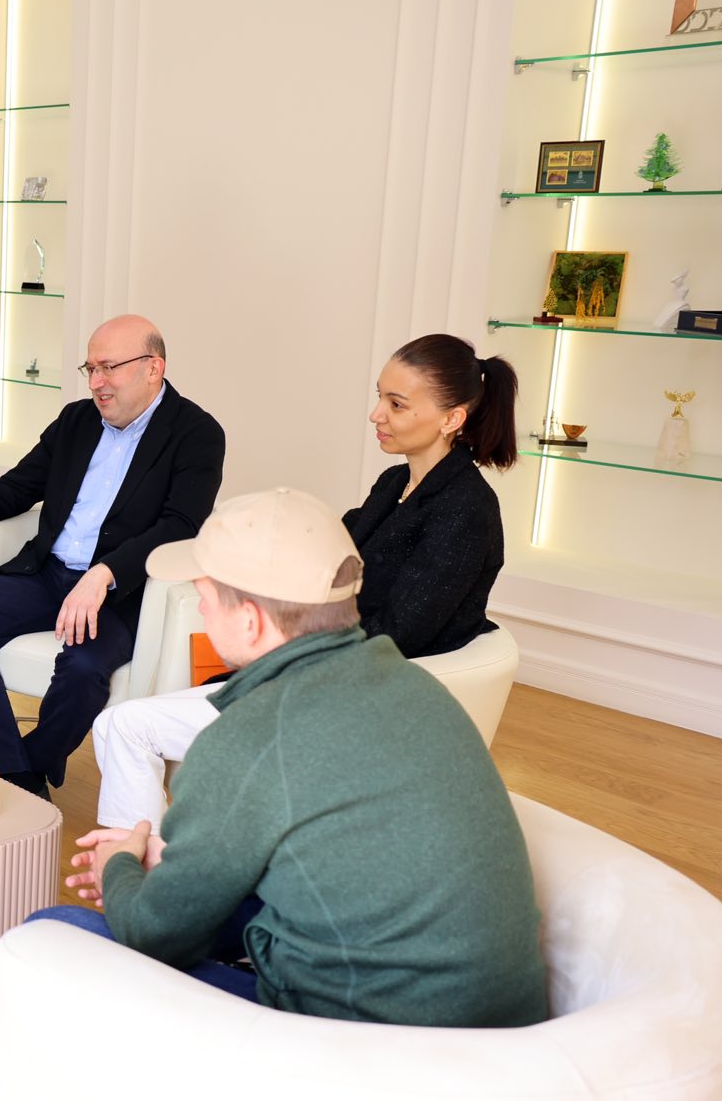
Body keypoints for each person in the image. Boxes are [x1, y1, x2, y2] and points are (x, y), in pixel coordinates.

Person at [0, 487, 549, 1101]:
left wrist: (124, 864)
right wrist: (171, 865)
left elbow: (155, 932)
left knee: (48, 939)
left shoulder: (248, 736)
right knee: (195, 893)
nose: (198, 607)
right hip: (491, 1047)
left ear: (251, 621)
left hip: (369, 1061)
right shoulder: (414, 688)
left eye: (206, 596)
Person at [91, 332, 518, 830]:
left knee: (124, 726)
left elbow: (401, 633)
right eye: (379, 397)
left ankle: (145, 864)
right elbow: (331, 554)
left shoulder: (465, 510)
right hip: (326, 676)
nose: (376, 415)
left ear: (452, 418)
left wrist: (281, 650)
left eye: (396, 404)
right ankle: (158, 859)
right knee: (123, 725)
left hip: (360, 699)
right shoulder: (396, 484)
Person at [0, 315, 224, 799]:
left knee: (83, 670)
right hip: (48, 573)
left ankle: (28, 767)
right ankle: (15, 777)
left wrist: (105, 573)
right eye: (90, 368)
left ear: (152, 367)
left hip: (120, 593)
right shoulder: (76, 420)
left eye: (108, 368)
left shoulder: (196, 433)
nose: (96, 382)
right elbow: (15, 488)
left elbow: (181, 525)